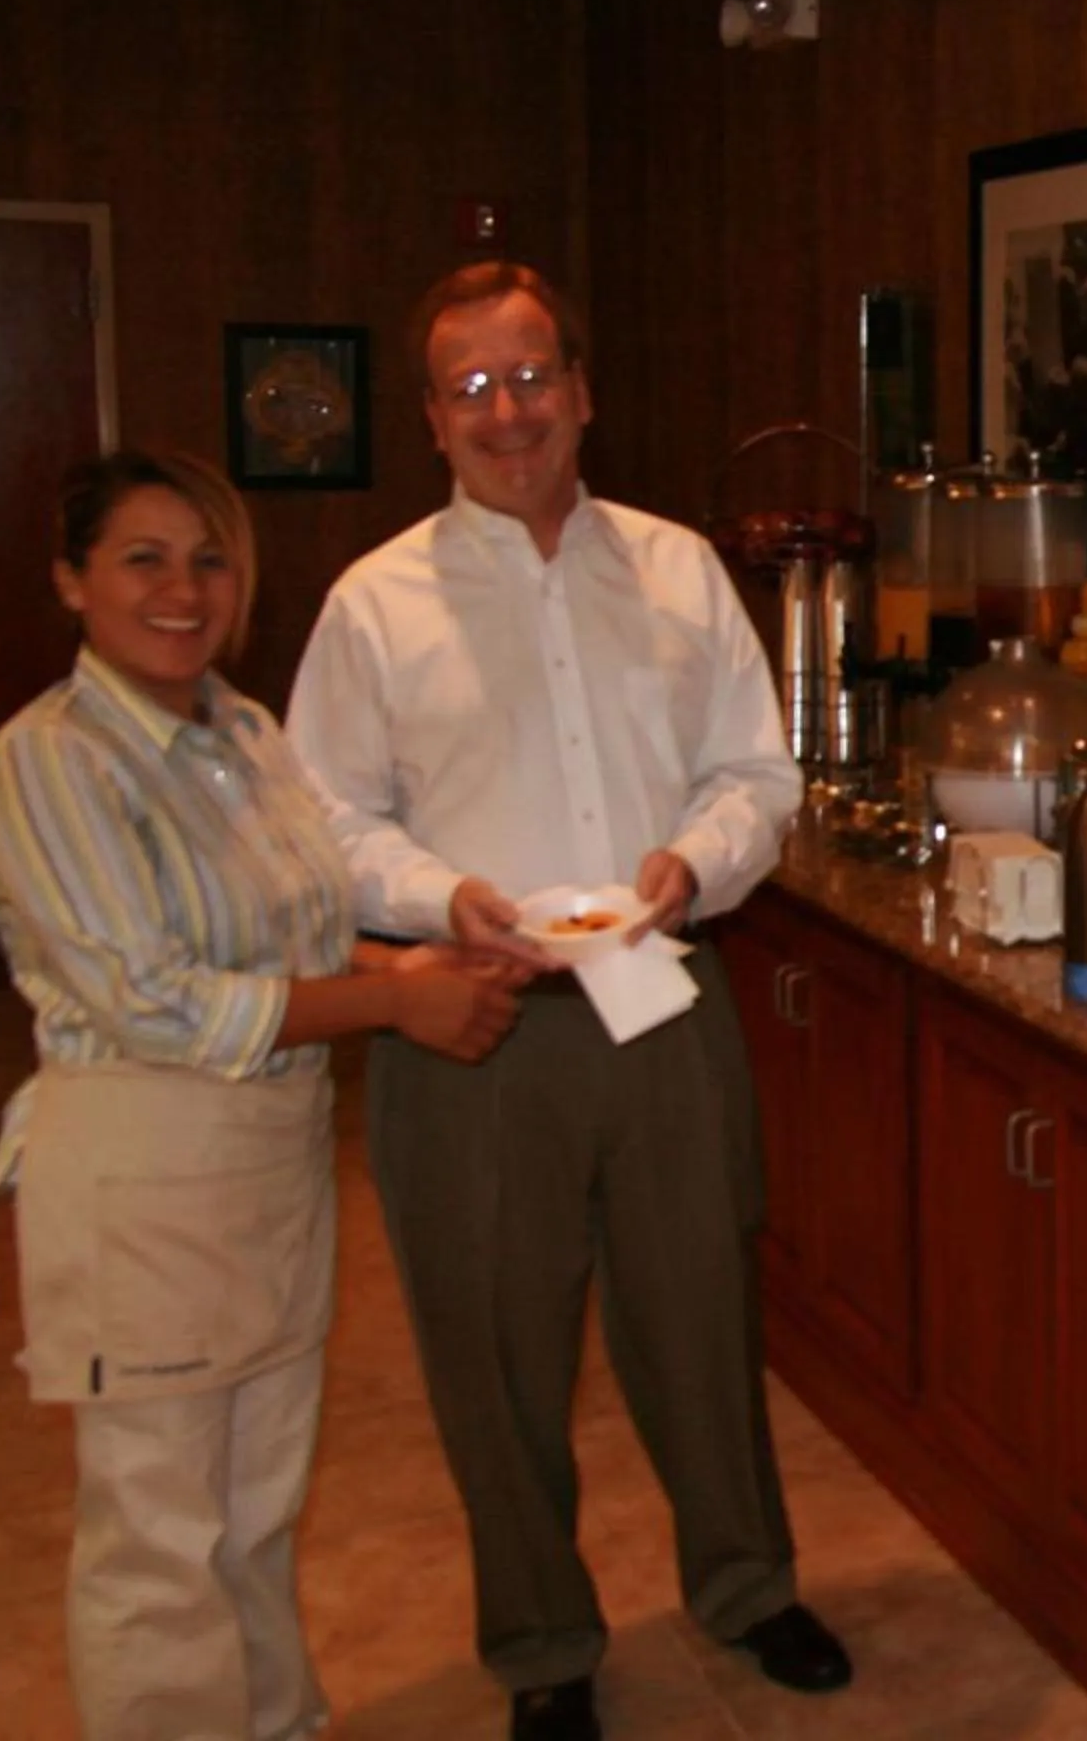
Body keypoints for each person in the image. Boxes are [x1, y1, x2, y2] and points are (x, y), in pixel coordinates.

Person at [284, 261, 842, 1741]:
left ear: (582, 392)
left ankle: (747, 1586)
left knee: (701, 1322)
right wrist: (437, 900)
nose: (506, 411)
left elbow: (756, 776)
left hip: (664, 1002)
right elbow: (321, 820)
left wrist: (692, 861)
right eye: (470, 388)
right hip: (471, 1026)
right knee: (492, 1351)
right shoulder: (374, 605)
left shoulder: (674, 568)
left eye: (531, 376)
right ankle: (541, 1645)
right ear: (431, 421)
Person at [0, 449, 521, 1741]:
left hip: (268, 1165)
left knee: (257, 1508)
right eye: (142, 558)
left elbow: (296, 943)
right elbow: (157, 1000)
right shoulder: (50, 762)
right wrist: (394, 1004)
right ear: (72, 582)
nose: (183, 589)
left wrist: (417, 961)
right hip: (142, 1174)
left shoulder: (243, 732)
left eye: (209, 558)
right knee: (159, 1539)